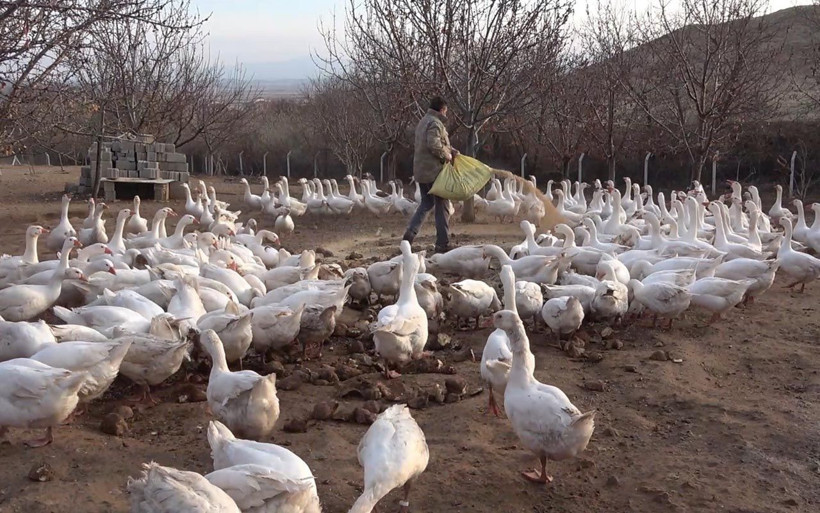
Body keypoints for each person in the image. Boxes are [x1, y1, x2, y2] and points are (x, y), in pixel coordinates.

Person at [403, 96, 459, 253]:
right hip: (434, 172)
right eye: (446, 110)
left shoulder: (423, 121)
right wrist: (448, 156)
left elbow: (436, 143)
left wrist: (451, 149)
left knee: (426, 203)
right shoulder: (435, 123)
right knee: (442, 206)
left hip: (421, 170)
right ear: (442, 109)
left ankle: (410, 233)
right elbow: (434, 144)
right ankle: (443, 243)